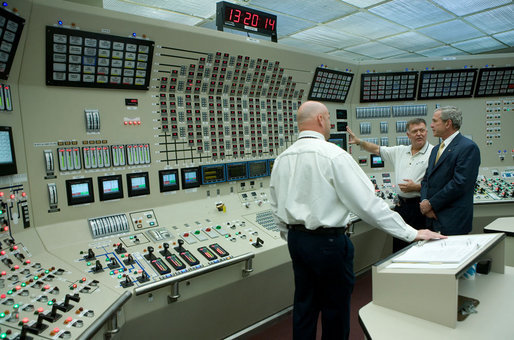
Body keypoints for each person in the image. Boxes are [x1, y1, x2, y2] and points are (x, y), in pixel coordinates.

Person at [269, 101, 445, 340]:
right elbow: (369, 205)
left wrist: (291, 236)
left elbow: (275, 205)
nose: (330, 123)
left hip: (297, 242)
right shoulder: (334, 155)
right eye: (329, 118)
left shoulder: (283, 158)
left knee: (304, 305)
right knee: (335, 308)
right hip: (328, 244)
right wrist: (411, 233)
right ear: (321, 119)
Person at [346, 119, 434, 252]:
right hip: (401, 207)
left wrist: (417, 187)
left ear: (427, 132)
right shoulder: (400, 151)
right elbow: (377, 149)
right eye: (415, 131)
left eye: (422, 130)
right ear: (408, 135)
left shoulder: (434, 153)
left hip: (420, 208)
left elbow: (439, 183)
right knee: (399, 248)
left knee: (420, 248)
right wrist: (359, 142)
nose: (419, 134)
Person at [420, 106, 481, 235]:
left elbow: (459, 183)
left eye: (435, 121)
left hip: (452, 219)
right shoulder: (436, 149)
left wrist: (431, 204)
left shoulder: (468, 147)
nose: (431, 125)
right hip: (431, 217)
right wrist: (425, 202)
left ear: (448, 123)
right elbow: (426, 179)